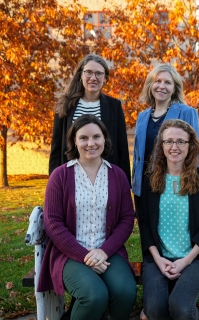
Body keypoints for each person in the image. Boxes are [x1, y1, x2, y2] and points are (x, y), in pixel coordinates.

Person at [37, 114, 137, 320]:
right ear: (74, 141)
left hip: (108, 251)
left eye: (96, 137)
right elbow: (53, 223)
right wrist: (85, 255)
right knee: (93, 296)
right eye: (83, 138)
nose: (90, 143)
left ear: (104, 139)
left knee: (125, 292)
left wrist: (103, 251)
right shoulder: (61, 175)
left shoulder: (117, 175)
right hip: (70, 253)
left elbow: (127, 219)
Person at [138, 119, 199, 320]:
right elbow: (145, 225)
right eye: (169, 141)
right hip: (158, 257)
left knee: (181, 308)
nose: (175, 147)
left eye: (181, 142)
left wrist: (185, 261)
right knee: (154, 309)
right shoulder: (150, 180)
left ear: (190, 146)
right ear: (161, 146)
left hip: (194, 257)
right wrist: (157, 258)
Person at [49, 53, 131, 185]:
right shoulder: (66, 104)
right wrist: (53, 182)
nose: (93, 78)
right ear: (81, 75)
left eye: (99, 74)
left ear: (105, 79)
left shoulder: (114, 106)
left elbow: (122, 146)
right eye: (88, 72)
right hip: (71, 176)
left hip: (105, 176)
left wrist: (125, 184)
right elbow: (56, 146)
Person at [132, 63, 199, 215]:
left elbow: (196, 151)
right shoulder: (142, 117)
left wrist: (195, 183)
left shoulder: (187, 113)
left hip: (173, 182)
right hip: (143, 185)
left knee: (169, 229)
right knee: (147, 232)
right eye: (157, 81)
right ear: (151, 85)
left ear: (175, 88)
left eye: (167, 82)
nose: (161, 86)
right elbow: (138, 154)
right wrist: (135, 185)